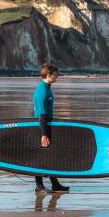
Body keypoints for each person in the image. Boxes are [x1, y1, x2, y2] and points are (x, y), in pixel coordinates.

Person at [33, 63, 69, 193]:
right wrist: (43, 134)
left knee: (51, 154)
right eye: (55, 75)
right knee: (40, 156)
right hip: (41, 125)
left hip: (47, 124)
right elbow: (41, 113)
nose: (57, 77)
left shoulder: (47, 87)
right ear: (48, 75)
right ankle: (39, 186)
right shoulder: (41, 90)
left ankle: (55, 183)